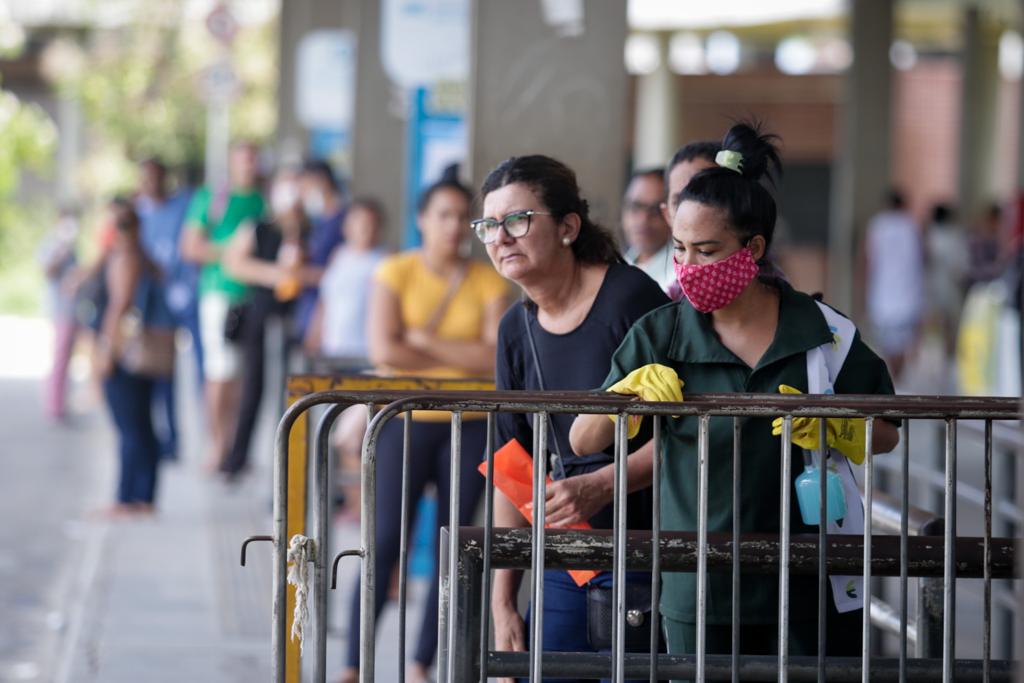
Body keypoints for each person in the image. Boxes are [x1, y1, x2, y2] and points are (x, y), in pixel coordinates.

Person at [569, 122, 900, 668]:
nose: (689, 267)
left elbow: (886, 431)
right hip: (698, 587)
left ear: (754, 248)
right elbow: (583, 436)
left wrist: (838, 422)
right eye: (679, 248)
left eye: (707, 250)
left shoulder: (822, 330)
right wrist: (625, 400)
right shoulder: (661, 334)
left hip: (806, 582)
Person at [477, 154, 668, 683]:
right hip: (569, 558)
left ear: (567, 227)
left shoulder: (631, 299)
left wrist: (604, 484)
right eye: (489, 226)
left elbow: (693, 432)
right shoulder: (516, 327)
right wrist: (503, 602)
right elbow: (512, 464)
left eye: (517, 220)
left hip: (654, 556)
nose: (501, 237)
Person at [341, 169, 509, 683]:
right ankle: (353, 663)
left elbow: (491, 358)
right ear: (422, 220)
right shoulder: (395, 272)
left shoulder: (488, 278)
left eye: (464, 216)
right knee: (386, 539)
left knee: (451, 545)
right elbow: (383, 348)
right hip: (404, 421)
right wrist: (453, 355)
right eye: (444, 215)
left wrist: (422, 341)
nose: (455, 226)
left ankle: (421, 664)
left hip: (472, 424)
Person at [220, 168, 318, 479]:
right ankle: (238, 458)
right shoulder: (259, 229)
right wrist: (275, 273)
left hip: (298, 320)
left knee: (293, 391)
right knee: (253, 387)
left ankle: (293, 463)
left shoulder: (312, 232)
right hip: (261, 317)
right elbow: (234, 263)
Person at [180, 142, 265, 471]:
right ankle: (216, 444)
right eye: (243, 159)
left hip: (253, 297)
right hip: (220, 294)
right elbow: (191, 247)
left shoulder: (262, 201)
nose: (248, 165)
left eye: (253, 159)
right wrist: (233, 250)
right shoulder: (213, 198)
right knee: (219, 371)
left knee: (241, 375)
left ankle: (232, 443)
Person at [92, 198, 167, 517]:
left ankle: (128, 497)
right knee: (140, 424)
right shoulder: (141, 257)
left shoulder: (127, 259)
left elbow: (119, 305)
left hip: (126, 351)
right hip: (141, 351)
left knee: (129, 426)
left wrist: (106, 349)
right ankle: (142, 496)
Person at [136, 157, 196, 460]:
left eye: (155, 178)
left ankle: (173, 440)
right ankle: (154, 438)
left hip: (181, 297)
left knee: (175, 375)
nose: (150, 184)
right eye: (145, 178)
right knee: (150, 372)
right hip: (150, 305)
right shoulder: (137, 214)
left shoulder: (181, 206)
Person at [304, 197, 388, 361]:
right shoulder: (339, 256)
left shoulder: (386, 261)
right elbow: (326, 299)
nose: (365, 228)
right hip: (333, 350)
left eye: (370, 223)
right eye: (359, 221)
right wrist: (314, 335)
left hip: (366, 354)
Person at [864, 189, 925, 381]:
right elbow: (923, 258)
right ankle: (899, 377)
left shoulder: (877, 225)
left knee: (888, 343)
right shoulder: (912, 225)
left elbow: (867, 260)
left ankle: (895, 377)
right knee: (902, 342)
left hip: (882, 293)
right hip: (908, 293)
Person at [295, 158, 346, 342]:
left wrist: (301, 275)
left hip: (327, 313)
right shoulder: (315, 221)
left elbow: (341, 271)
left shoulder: (342, 222)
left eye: (306, 185)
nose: (302, 192)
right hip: (307, 306)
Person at [38, 207, 80, 421]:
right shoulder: (52, 244)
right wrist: (61, 253)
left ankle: (62, 402)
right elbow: (47, 271)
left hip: (73, 309)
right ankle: (54, 406)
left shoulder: (74, 247)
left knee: (68, 359)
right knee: (60, 356)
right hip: (59, 309)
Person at [923, 203, 968, 359]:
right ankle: (947, 356)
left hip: (932, 286)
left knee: (935, 325)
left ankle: (935, 358)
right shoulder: (955, 235)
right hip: (949, 287)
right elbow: (962, 265)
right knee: (949, 325)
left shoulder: (929, 236)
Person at [622, 168, 675, 292]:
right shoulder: (615, 267)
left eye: (656, 209)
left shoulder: (679, 281)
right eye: (636, 206)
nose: (643, 219)